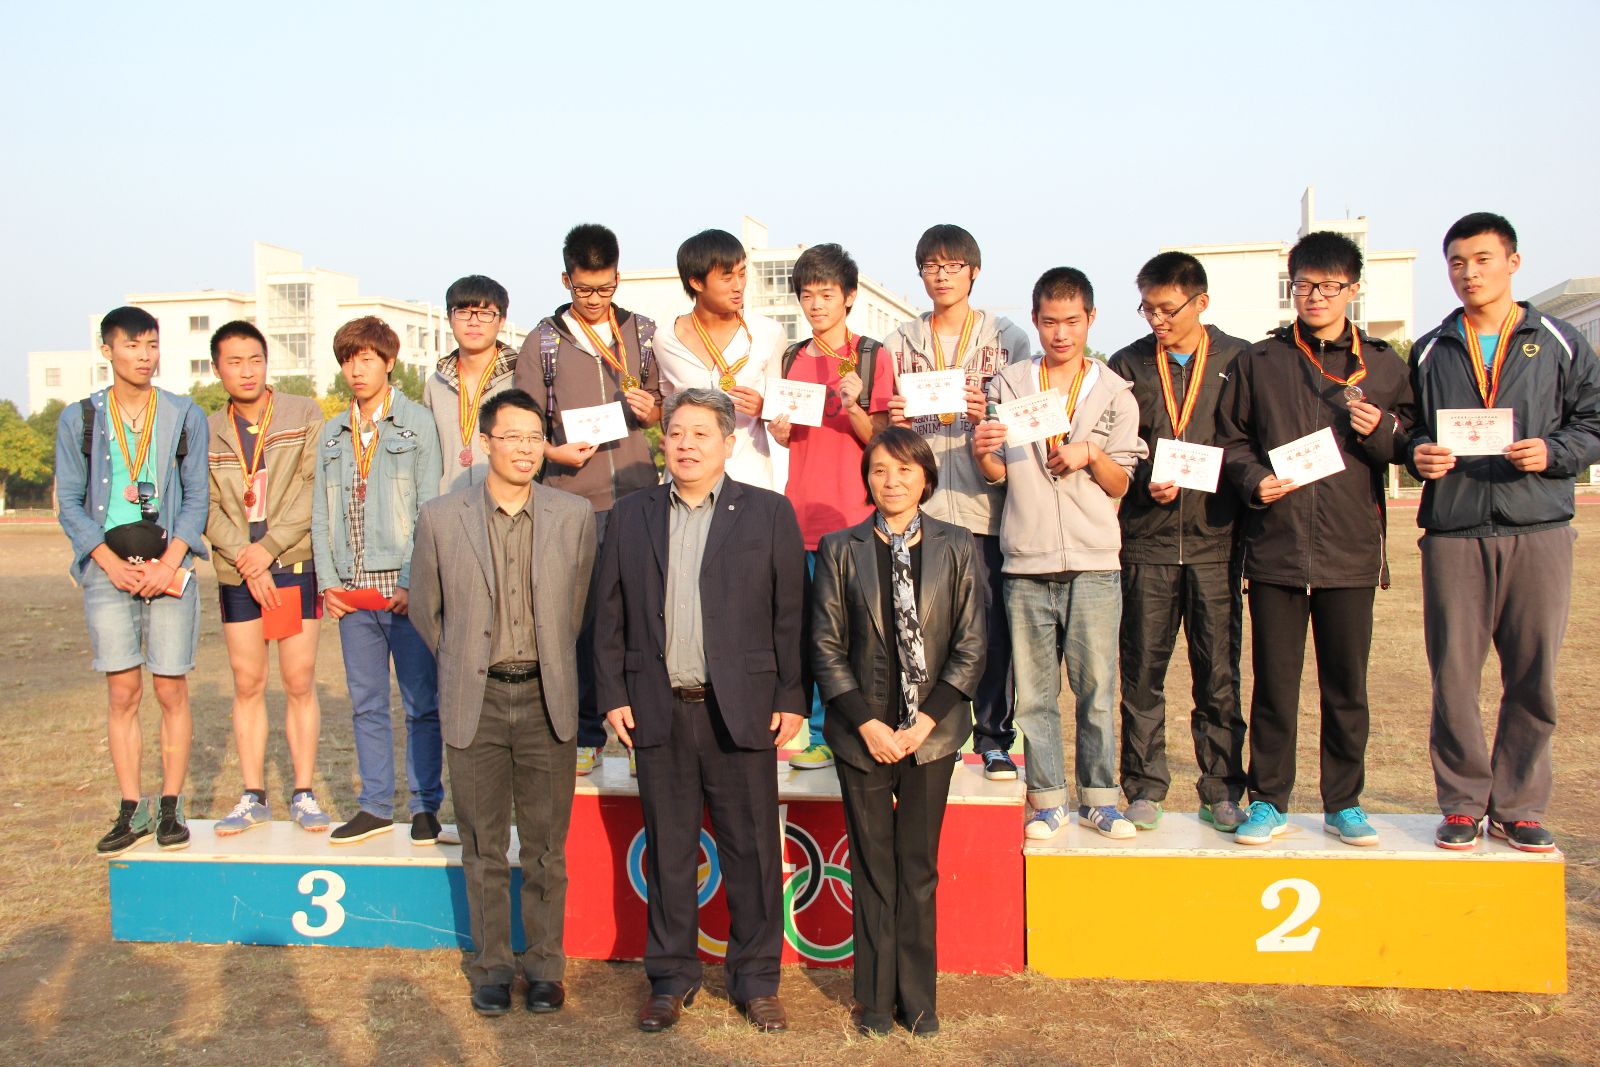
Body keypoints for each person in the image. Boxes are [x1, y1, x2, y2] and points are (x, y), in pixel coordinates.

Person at [593, 388, 805, 1034]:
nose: (685, 444)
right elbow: (607, 613)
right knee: (670, 850)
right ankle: (670, 978)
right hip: (658, 707)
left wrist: (791, 697)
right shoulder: (631, 514)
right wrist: (613, 693)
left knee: (752, 851)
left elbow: (791, 614)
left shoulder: (768, 512)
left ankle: (756, 980)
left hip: (741, 710)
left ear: (728, 443)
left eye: (700, 434)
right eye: (676, 432)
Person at [1404, 212, 1600, 853]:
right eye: (1457, 262)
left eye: (1482, 259)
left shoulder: (1561, 341)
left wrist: (1555, 452)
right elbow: (1406, 427)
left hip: (1538, 526)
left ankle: (1518, 806)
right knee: (1454, 676)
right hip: (1455, 529)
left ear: (1513, 262)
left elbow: (1593, 422)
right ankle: (1462, 804)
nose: (1469, 273)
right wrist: (1416, 452)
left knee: (1533, 673)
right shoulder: (1431, 349)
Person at [1215, 231, 1412, 848]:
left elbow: (1411, 442)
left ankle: (1344, 802)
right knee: (1274, 685)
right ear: (1291, 287)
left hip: (1351, 551)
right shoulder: (1261, 361)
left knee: (1346, 688)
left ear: (1354, 289)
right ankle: (1268, 799)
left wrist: (1382, 430)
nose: (1316, 296)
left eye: (1330, 286)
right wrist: (1254, 479)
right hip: (1276, 548)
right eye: (1304, 285)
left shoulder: (1383, 365)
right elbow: (1230, 441)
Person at [410, 388, 597, 1015]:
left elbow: (576, 610)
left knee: (546, 847)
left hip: (547, 697)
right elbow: (427, 612)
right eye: (511, 436)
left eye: (534, 437)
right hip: (477, 698)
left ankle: (544, 966)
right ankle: (491, 966)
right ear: (486, 442)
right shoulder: (442, 517)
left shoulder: (573, 516)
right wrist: (467, 659)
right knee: (483, 844)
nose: (524, 448)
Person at [810, 427, 984, 1037]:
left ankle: (919, 998)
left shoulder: (958, 545)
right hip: (863, 734)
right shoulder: (840, 548)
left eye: (905, 469)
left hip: (931, 735)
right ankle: (875, 1001)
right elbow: (825, 646)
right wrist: (868, 723)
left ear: (926, 477)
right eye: (880, 469)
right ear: (867, 478)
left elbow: (971, 646)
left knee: (918, 866)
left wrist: (924, 722)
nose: (892, 481)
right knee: (872, 865)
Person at [974, 268, 1146, 840]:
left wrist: (1090, 453)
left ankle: (1100, 799)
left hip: (1094, 563)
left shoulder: (1115, 393)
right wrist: (983, 452)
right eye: (1049, 322)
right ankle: (1047, 799)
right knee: (1035, 695)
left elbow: (1121, 483)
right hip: (1026, 561)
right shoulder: (1010, 384)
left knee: (1096, 692)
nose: (1061, 333)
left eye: (1072, 321)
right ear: (1035, 320)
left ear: (1091, 319)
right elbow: (997, 474)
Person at [56, 306, 210, 855]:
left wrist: (170, 563)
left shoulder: (184, 414)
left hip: (169, 568)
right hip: (108, 571)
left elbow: (196, 496)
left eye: (152, 345)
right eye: (132, 345)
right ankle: (130, 807)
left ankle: (171, 806)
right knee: (123, 690)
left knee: (170, 687)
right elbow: (69, 501)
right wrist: (107, 561)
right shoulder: (81, 418)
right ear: (107, 350)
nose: (145, 357)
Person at [882, 224, 1032, 781]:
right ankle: (923, 731)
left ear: (974, 271)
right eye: (931, 266)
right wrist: (895, 420)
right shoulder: (900, 341)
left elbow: (1024, 420)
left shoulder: (1009, 339)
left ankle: (994, 737)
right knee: (920, 628)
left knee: (989, 631)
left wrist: (987, 414)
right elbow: (884, 426)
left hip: (982, 507)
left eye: (952, 266)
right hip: (919, 511)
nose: (941, 276)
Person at [513, 223, 663, 777]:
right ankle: (584, 731)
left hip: (640, 498)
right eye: (584, 289)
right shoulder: (544, 342)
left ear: (618, 278)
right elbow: (524, 423)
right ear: (565, 280)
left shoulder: (642, 332)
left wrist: (654, 411)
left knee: (644, 619)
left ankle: (645, 732)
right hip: (572, 502)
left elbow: (666, 406)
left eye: (604, 288)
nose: (595, 299)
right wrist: (554, 452)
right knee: (580, 622)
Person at [1106, 253, 1249, 832]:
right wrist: (1145, 480)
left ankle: (1222, 788)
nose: (1157, 320)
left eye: (1167, 309)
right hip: (1147, 543)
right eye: (1147, 309)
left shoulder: (1240, 359)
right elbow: (1116, 446)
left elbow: (1249, 442)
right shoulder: (1128, 363)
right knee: (1142, 675)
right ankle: (1143, 787)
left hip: (1217, 541)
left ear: (1201, 302)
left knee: (1219, 676)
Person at [310, 316, 445, 845]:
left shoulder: (417, 424)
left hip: (403, 593)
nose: (357, 370)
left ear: (389, 362)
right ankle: (374, 806)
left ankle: (425, 806)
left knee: (420, 704)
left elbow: (428, 507)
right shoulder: (332, 433)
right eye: (348, 360)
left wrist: (413, 581)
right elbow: (320, 514)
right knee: (366, 703)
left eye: (367, 359)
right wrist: (329, 584)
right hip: (353, 593)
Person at [766, 242, 895, 772]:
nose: (816, 304)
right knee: (812, 636)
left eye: (826, 293)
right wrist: (779, 429)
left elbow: (882, 440)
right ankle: (819, 734)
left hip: (857, 520)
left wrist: (855, 403)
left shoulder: (872, 355)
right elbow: (784, 432)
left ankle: (864, 730)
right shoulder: (792, 358)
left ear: (850, 296)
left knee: (862, 635)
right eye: (806, 294)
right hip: (800, 518)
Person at [204, 321, 330, 834]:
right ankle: (253, 794)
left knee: (298, 681)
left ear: (266, 362)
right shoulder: (206, 428)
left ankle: (303, 792)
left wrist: (268, 549)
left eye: (254, 359)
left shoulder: (302, 413)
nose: (246, 371)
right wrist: (245, 557)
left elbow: (313, 488)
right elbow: (204, 505)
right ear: (217, 369)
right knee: (248, 682)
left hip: (293, 565)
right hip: (239, 574)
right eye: (234, 362)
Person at [652, 228, 786, 490]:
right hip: (687, 485)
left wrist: (764, 408)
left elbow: (784, 410)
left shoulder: (768, 332)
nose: (738, 286)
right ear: (696, 283)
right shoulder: (665, 339)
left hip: (749, 479)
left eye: (742, 274)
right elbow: (667, 408)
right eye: (727, 278)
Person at [423, 275, 519, 495]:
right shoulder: (436, 384)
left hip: (506, 503)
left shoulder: (521, 377)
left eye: (485, 313)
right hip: (448, 503)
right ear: (450, 318)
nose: (473, 322)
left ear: (501, 321)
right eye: (463, 312)